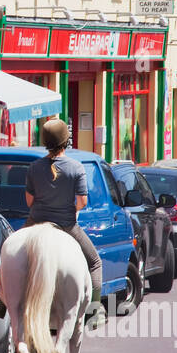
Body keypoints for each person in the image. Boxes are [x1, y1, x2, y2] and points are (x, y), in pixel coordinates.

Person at [23, 119, 103, 311]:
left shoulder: (34, 167)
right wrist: (72, 210)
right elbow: (82, 202)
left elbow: (29, 202)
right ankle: (95, 309)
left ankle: (1, 304)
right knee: (95, 262)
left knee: (8, 251)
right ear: (66, 142)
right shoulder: (76, 167)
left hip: (35, 222)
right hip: (66, 225)